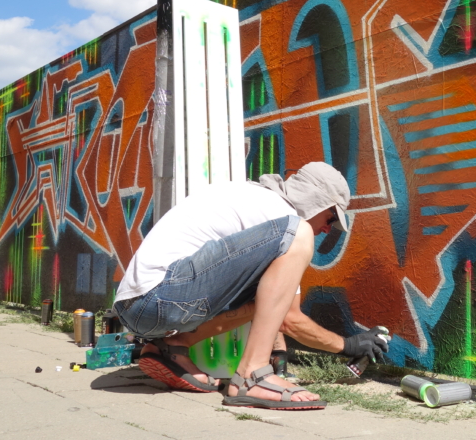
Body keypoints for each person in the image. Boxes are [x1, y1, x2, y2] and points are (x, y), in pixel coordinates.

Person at [111, 162, 389, 410]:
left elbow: (273, 307)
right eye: (330, 218)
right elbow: (290, 319)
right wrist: (348, 344)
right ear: (315, 202)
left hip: (138, 307)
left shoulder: (253, 199)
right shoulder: (280, 214)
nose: (328, 229)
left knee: (259, 299)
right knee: (300, 232)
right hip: (162, 296)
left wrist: (279, 348)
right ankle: (252, 375)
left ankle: (172, 346)